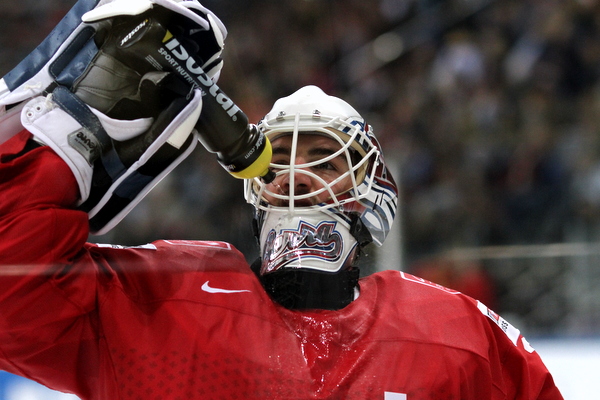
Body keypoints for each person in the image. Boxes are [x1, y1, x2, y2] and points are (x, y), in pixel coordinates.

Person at [0, 1, 563, 399]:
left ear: (369, 193)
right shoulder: (160, 297)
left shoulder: (456, 333)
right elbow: (12, 298)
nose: (296, 176)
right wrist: (75, 133)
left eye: (324, 159)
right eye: (281, 159)